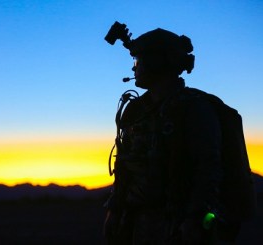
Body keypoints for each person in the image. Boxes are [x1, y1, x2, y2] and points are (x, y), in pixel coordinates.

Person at [103, 25, 242, 245]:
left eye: (138, 62)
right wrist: (114, 209)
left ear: (157, 62)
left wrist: (194, 219)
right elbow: (124, 166)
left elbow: (208, 168)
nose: (134, 69)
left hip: (177, 225)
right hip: (136, 221)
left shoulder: (194, 108)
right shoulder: (136, 110)